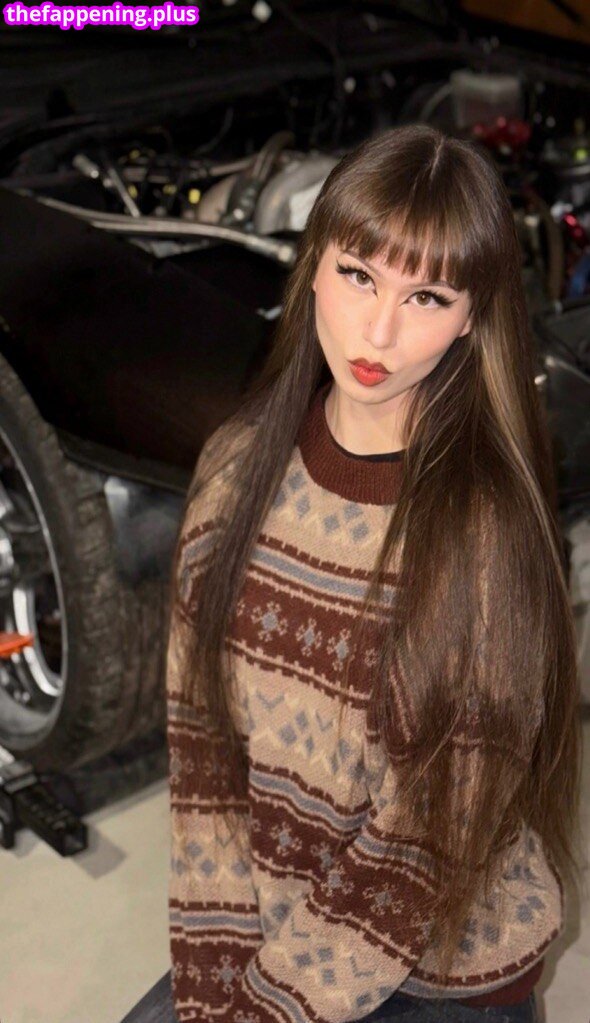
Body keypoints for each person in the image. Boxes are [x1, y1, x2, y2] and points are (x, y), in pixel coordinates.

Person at [165, 124, 582, 1023]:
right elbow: (204, 761)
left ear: (471, 317)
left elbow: (421, 854)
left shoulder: (483, 535)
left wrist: (264, 1008)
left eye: (426, 295)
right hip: (286, 939)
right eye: (358, 275)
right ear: (314, 266)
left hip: (442, 963)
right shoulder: (235, 468)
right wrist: (213, 986)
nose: (379, 331)